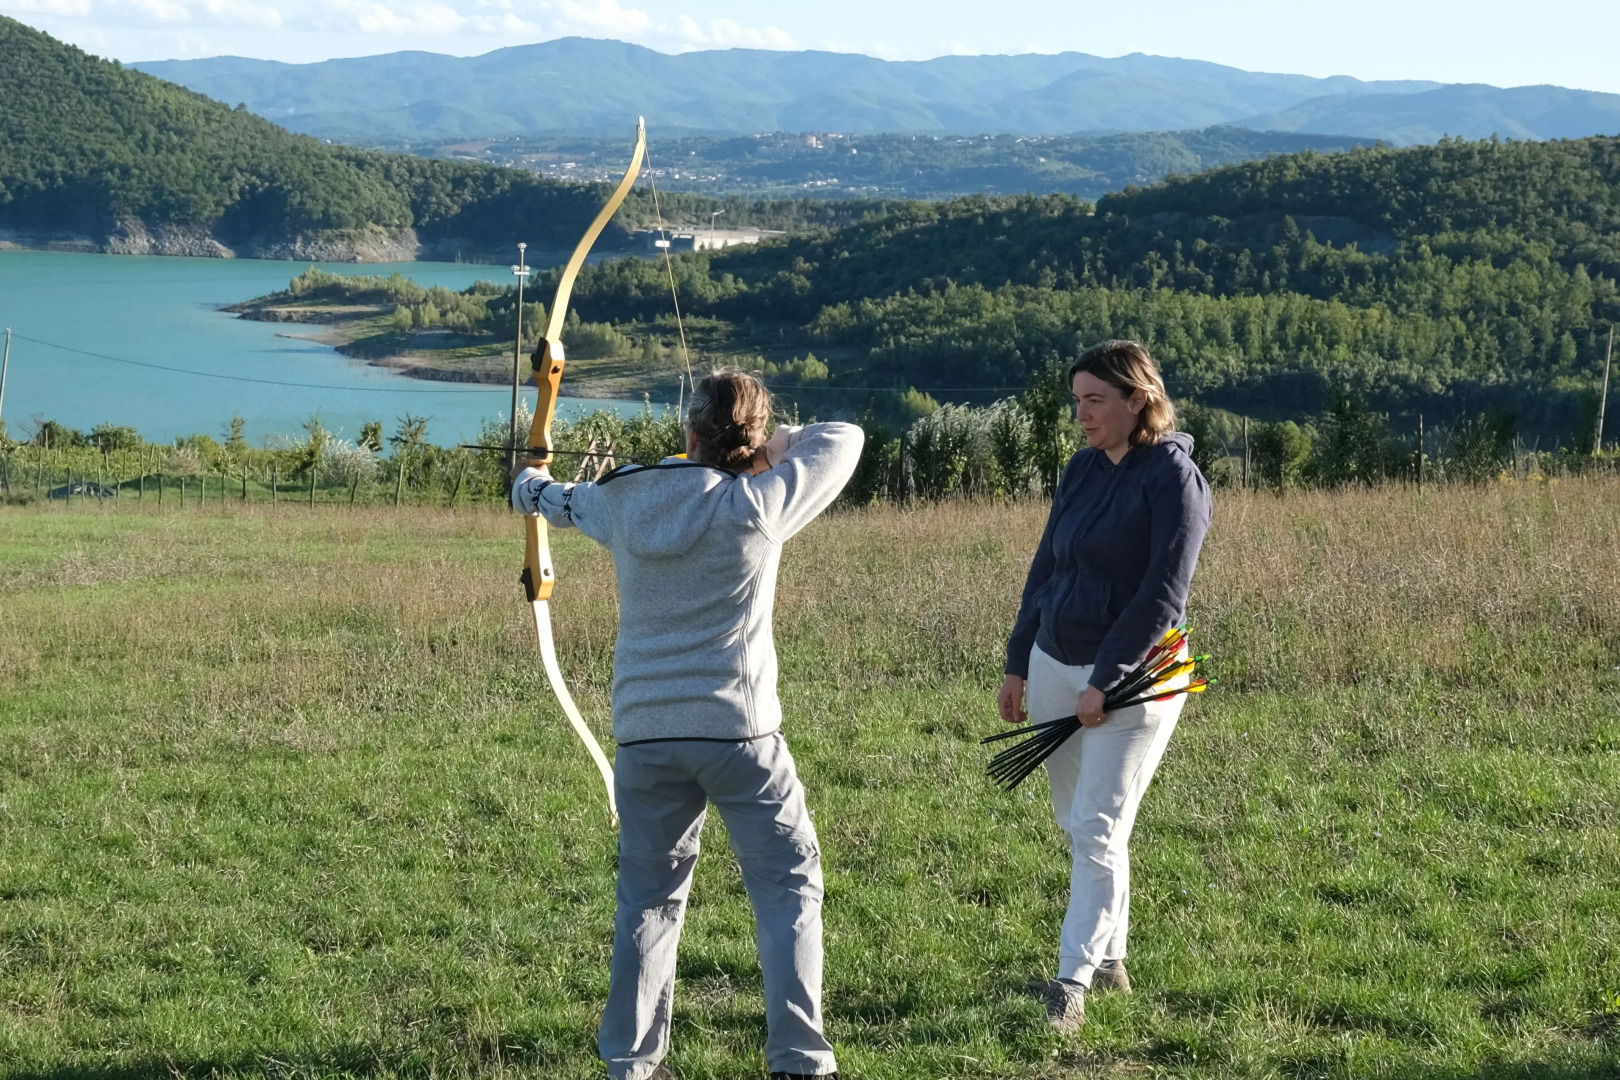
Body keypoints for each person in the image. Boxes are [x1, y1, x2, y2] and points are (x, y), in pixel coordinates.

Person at [511, 369, 862, 1080]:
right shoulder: (762, 500)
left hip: (645, 735)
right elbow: (843, 439)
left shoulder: (624, 500)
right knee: (789, 884)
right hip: (739, 734)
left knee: (648, 897)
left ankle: (632, 1064)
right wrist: (767, 447)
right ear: (749, 440)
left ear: (689, 432)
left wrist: (530, 482)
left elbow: (545, 498)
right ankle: (798, 1061)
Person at [996, 340, 1212, 1032]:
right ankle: (1112, 957)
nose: (1081, 414)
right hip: (1058, 662)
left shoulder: (1175, 480)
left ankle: (1071, 982)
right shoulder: (1082, 469)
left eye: (1095, 400)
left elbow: (1161, 597)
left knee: (1096, 825)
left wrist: (1107, 681)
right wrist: (1019, 658)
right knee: (1082, 824)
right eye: (1076, 400)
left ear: (1137, 401)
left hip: (1139, 677)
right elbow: (1047, 566)